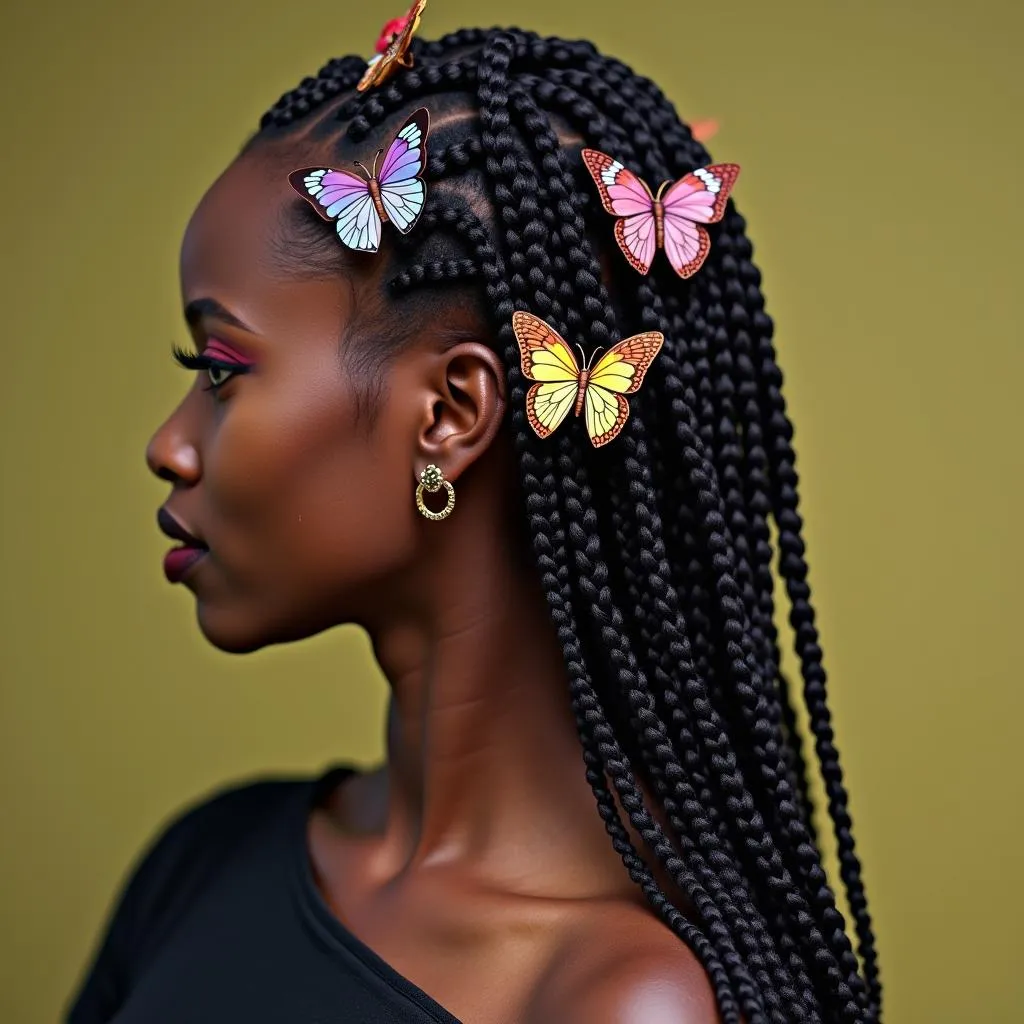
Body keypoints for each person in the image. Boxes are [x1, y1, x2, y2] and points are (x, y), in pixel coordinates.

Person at [65, 22, 881, 1024]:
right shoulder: (202, 860)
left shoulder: (613, 1001)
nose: (168, 444)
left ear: (450, 413)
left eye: (221, 372)